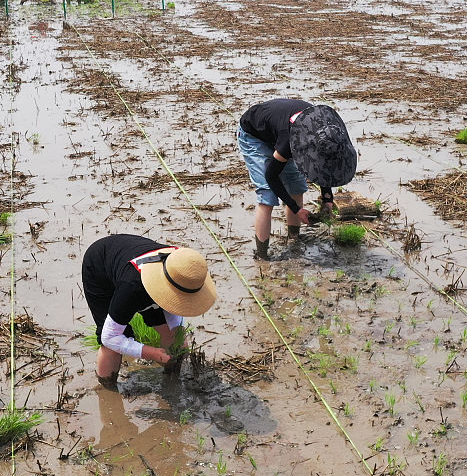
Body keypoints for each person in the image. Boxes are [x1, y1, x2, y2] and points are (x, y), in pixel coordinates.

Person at [82, 234, 216, 389]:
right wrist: (150, 353)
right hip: (100, 269)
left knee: (175, 339)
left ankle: (172, 379)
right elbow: (110, 337)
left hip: (144, 273)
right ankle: (107, 389)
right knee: (115, 341)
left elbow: (176, 304)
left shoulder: (185, 268)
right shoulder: (132, 288)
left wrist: (178, 331)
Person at [238, 99, 357, 260]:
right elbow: (271, 176)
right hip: (254, 136)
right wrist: (296, 209)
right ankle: (262, 257)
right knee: (267, 196)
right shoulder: (289, 141)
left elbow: (324, 164)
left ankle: (294, 240)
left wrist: (327, 198)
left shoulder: (327, 131)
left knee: (297, 186)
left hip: (281, 130)